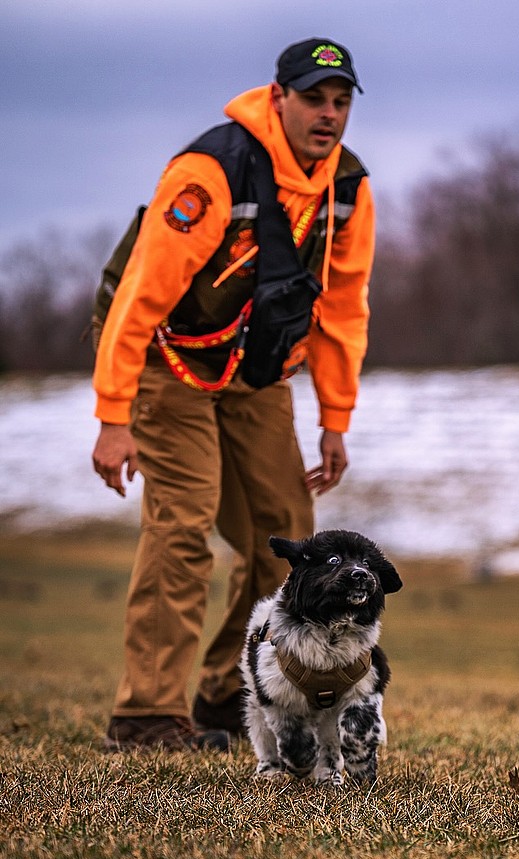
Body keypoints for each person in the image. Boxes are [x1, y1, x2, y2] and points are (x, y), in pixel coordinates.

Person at [91, 38, 376, 751]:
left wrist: (334, 421)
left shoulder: (348, 188)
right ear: (278, 97)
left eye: (341, 102)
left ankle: (229, 691)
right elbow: (137, 299)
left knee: (283, 537)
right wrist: (113, 417)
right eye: (314, 98)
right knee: (183, 526)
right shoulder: (212, 171)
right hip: (169, 364)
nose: (329, 115)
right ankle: (148, 714)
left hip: (256, 375)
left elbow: (343, 310)